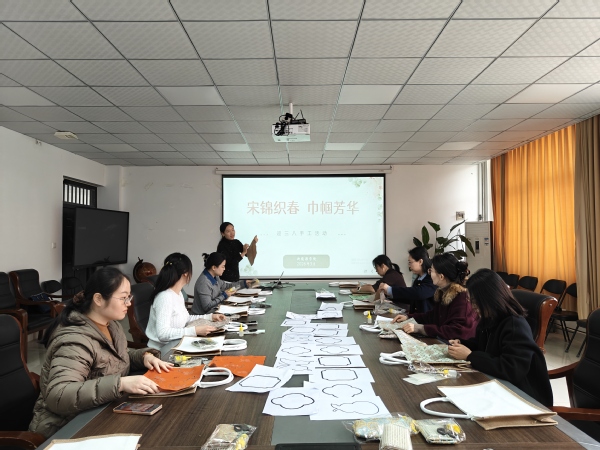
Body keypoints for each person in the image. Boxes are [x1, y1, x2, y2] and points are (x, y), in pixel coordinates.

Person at [29, 267, 172, 439]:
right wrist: (120, 384)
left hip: (99, 410)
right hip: (66, 426)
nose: (128, 303)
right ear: (98, 299)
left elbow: (116, 356)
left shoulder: (110, 325)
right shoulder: (75, 340)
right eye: (123, 298)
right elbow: (59, 395)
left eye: (129, 297)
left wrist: (144, 357)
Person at [447, 269, 553, 407]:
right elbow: (482, 345)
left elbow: (511, 369)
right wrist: (462, 344)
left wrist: (470, 356)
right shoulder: (489, 318)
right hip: (498, 385)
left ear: (490, 299)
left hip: (523, 396)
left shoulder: (515, 325)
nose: (473, 307)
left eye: (475, 302)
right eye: (471, 301)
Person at [145, 253, 227, 354]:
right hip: (162, 352)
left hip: (177, 344)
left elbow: (186, 319)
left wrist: (210, 317)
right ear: (186, 273)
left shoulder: (178, 293)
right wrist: (194, 331)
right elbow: (162, 334)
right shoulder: (165, 297)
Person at [391, 252, 478, 341]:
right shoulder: (444, 292)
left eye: (431, 271)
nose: (429, 274)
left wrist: (421, 328)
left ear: (441, 276)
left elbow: (456, 332)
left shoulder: (462, 298)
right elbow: (432, 316)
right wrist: (408, 317)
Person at [378, 246, 436, 313]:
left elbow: (418, 293)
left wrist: (391, 290)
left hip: (426, 319)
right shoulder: (419, 278)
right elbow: (411, 298)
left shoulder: (432, 278)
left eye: (410, 262)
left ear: (420, 261)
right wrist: (389, 294)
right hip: (416, 317)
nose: (409, 265)